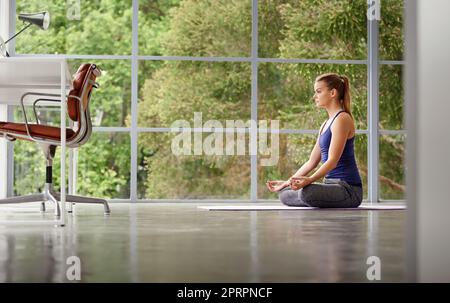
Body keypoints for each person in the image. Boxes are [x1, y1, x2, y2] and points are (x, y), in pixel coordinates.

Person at [266, 73, 363, 208]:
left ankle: (312, 197)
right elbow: (311, 162)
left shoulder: (342, 119)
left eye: (318, 91)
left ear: (332, 93)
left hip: (348, 190)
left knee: (307, 193)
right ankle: (310, 196)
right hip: (329, 186)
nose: (314, 96)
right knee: (285, 194)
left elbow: (332, 161)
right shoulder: (325, 124)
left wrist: (310, 180)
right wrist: (287, 182)